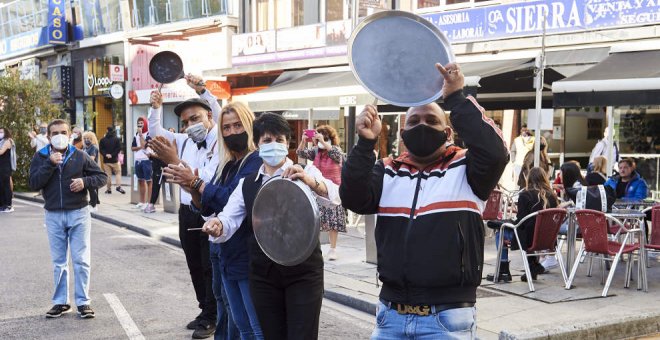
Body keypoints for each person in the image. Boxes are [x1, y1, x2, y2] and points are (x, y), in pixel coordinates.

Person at [340, 63, 509, 339]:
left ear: (448, 132)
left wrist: (456, 98)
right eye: (414, 121)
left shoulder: (467, 168)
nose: (422, 126)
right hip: (389, 316)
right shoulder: (387, 169)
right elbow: (353, 197)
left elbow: (496, 152)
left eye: (432, 121)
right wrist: (364, 143)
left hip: (447, 319)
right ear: (403, 134)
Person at [202, 113, 340, 340]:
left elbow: (335, 196)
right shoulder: (248, 183)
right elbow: (229, 218)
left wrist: (310, 181)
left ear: (288, 144)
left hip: (303, 272)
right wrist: (217, 225)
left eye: (280, 140)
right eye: (267, 140)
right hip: (264, 275)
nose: (273, 145)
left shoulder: (305, 172)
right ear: (257, 144)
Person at [164, 101, 263, 340]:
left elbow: (231, 200)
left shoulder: (255, 161)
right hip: (222, 248)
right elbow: (207, 205)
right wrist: (189, 184)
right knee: (226, 307)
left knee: (250, 325)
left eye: (237, 125)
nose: (231, 133)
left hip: (244, 252)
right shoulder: (227, 163)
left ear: (249, 125)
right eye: (226, 128)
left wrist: (195, 182)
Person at [148, 74, 222, 339]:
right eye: (186, 121)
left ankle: (213, 316)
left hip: (210, 213)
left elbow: (221, 112)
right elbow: (156, 133)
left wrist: (202, 89)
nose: (191, 125)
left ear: (210, 117)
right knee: (194, 264)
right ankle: (204, 310)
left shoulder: (220, 139)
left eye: (196, 118)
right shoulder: (185, 140)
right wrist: (155, 108)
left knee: (209, 266)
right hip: (187, 212)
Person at [28, 119, 107, 319]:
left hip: (79, 213)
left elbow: (101, 177)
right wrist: (49, 164)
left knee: (81, 260)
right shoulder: (41, 156)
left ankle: (83, 302)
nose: (59, 136)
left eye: (63, 131)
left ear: (70, 133)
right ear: (48, 136)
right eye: (54, 133)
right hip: (53, 214)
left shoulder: (79, 155)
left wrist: (84, 181)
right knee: (59, 262)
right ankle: (61, 302)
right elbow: (33, 183)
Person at [486, 167, 559, 282]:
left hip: (530, 239)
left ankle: (503, 271)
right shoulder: (552, 196)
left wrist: (507, 223)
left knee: (501, 232)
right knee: (528, 230)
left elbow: (522, 222)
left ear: (528, 179)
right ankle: (532, 267)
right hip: (548, 239)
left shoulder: (526, 195)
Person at [297, 125, 346, 261]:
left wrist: (323, 141)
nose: (321, 140)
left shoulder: (335, 150)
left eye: (325, 137)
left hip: (333, 190)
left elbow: (337, 155)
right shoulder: (316, 152)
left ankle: (333, 248)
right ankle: (315, 246)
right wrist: (303, 140)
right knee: (316, 219)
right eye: (319, 137)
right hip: (318, 189)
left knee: (333, 221)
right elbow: (300, 153)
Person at [132, 117, 152, 210]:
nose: (140, 124)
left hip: (146, 160)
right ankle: (142, 201)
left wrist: (141, 135)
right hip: (138, 160)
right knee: (140, 180)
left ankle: (149, 202)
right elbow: (132, 148)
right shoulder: (135, 134)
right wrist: (139, 146)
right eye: (138, 123)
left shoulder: (148, 133)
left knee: (149, 181)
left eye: (142, 123)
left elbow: (144, 146)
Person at [99, 126, 125, 194]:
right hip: (115, 160)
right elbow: (119, 148)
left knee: (108, 175)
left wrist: (106, 154)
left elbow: (101, 149)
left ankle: (108, 189)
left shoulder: (103, 140)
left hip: (106, 161)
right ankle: (118, 186)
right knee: (118, 173)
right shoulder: (116, 139)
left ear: (107, 130)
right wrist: (112, 155)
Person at [83, 131, 101, 210]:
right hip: (86, 169)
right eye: (85, 138)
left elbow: (92, 158)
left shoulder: (93, 147)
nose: (87, 140)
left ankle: (94, 204)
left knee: (92, 187)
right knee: (90, 187)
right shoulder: (85, 148)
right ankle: (94, 201)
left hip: (92, 169)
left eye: (89, 139)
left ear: (92, 139)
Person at [0, 127, 16, 213]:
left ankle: (8, 205)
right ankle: (2, 205)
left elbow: (1, 152)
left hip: (5, 166)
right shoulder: (1, 142)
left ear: (6, 132)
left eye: (1, 132)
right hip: (1, 166)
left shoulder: (8, 141)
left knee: (6, 186)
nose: (0, 133)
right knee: (1, 186)